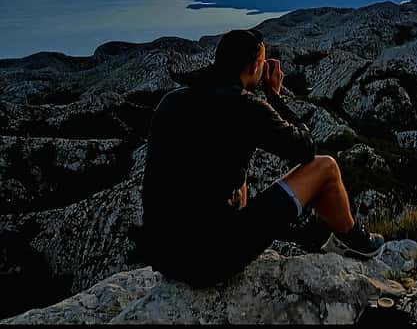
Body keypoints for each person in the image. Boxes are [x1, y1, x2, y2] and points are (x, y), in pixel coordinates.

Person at [140, 28, 384, 287]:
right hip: (208, 263)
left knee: (234, 176)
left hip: (165, 257)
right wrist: (275, 96)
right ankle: (353, 241)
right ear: (255, 65)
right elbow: (305, 149)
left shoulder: (172, 101)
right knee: (326, 167)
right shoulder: (245, 108)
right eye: (263, 61)